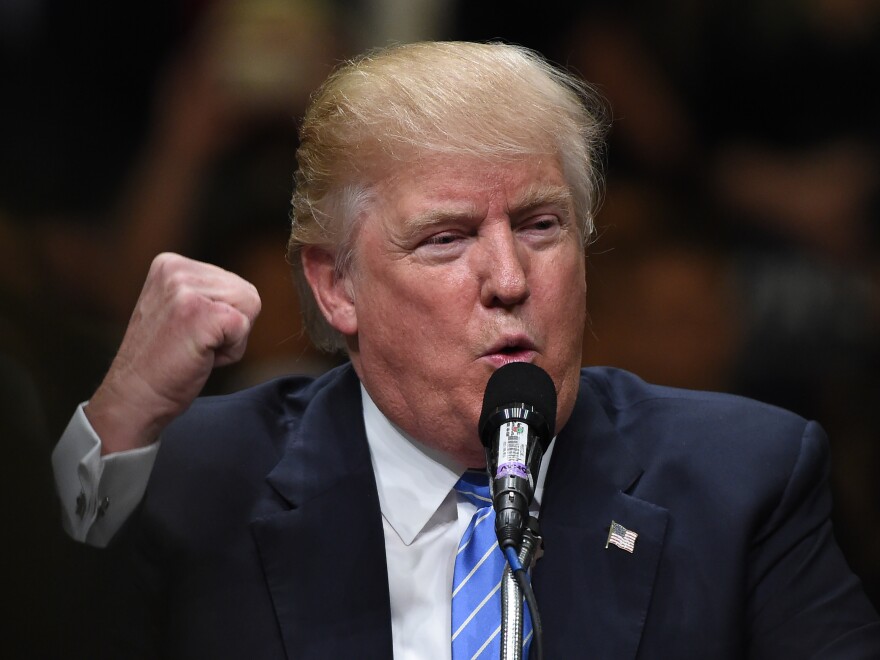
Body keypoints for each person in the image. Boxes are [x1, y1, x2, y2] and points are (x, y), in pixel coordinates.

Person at [52, 41, 880, 658]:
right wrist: (121, 415)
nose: (510, 278)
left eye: (540, 226)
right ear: (336, 285)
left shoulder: (744, 478)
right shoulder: (201, 475)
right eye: (446, 239)